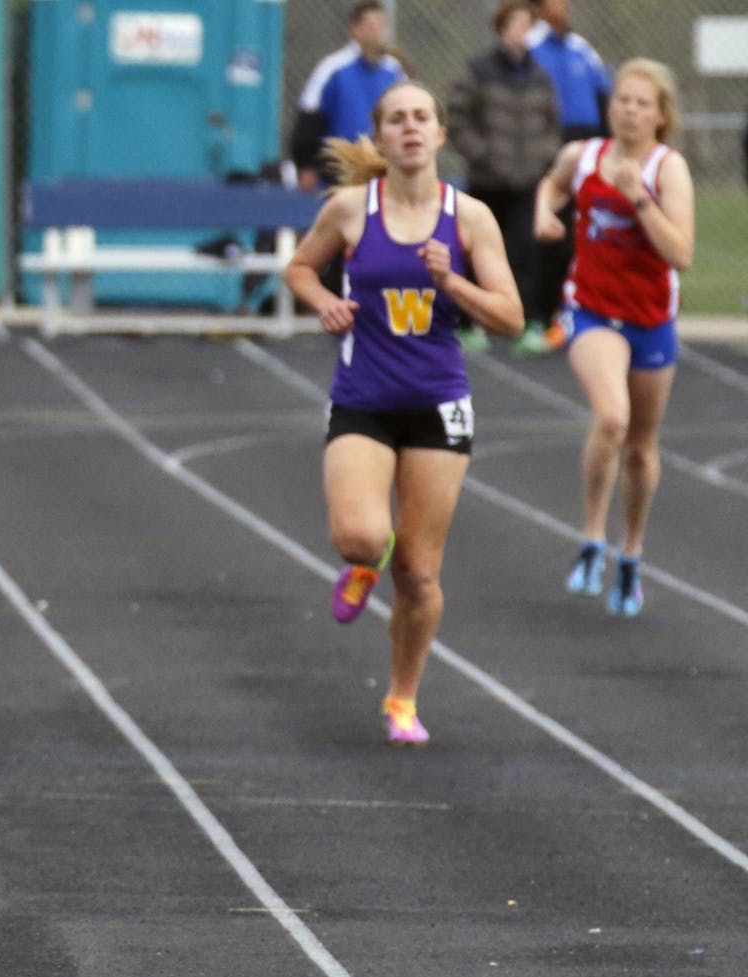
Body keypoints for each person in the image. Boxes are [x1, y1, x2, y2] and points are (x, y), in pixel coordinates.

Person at [281, 81, 524, 746]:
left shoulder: (469, 218)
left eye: (422, 117)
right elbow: (299, 268)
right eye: (397, 119)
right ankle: (364, 563)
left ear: (441, 134)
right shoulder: (352, 209)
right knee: (361, 536)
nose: (411, 128)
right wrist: (322, 301)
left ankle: (402, 698)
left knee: (418, 573)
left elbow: (511, 316)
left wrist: (453, 282)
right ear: (381, 139)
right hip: (363, 399)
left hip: (438, 406)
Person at [534, 58, 694, 619]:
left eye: (640, 103)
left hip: (650, 317)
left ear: (660, 115)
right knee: (611, 419)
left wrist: (639, 199)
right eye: (621, 100)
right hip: (592, 310)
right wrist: (543, 215)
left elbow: (681, 254)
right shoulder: (585, 157)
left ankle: (632, 550)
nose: (628, 110)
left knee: (642, 449)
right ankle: (592, 538)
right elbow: (551, 185)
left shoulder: (666, 169)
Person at [446, 0, 557, 357]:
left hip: (526, 180)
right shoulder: (479, 70)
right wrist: (483, 155)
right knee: (473, 252)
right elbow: (457, 118)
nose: (521, 31)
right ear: (501, 27)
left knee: (524, 253)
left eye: (527, 24)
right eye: (515, 24)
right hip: (487, 180)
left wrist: (541, 159)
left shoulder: (539, 74)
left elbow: (551, 124)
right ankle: (466, 325)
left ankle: (524, 325)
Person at [525, 0, 610, 352]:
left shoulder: (582, 49)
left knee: (586, 233)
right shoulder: (529, 46)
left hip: (586, 147)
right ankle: (540, 317)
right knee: (548, 236)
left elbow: (604, 97)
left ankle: (576, 312)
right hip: (547, 149)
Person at [288, 1, 405, 192]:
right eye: (369, 25)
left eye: (379, 25)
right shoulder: (333, 68)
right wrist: (306, 164)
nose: (375, 31)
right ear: (355, 29)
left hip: (385, 171)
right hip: (340, 173)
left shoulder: (395, 71)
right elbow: (309, 117)